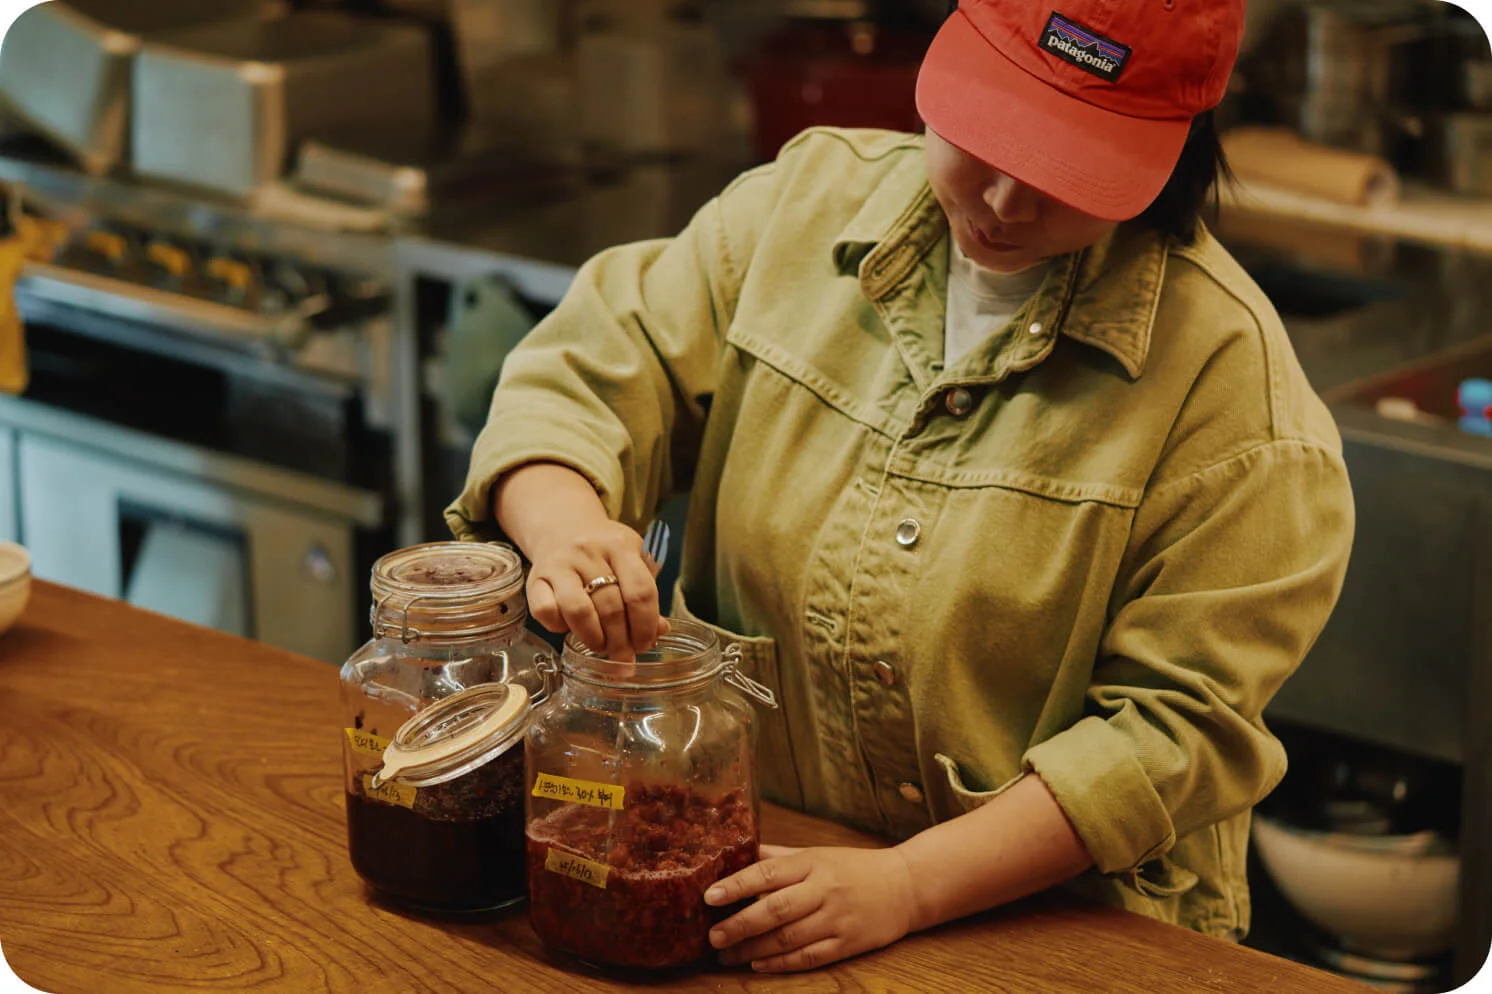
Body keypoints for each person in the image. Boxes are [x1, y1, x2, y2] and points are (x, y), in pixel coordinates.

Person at [447, 0, 1355, 974]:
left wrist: (911, 883)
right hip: (762, 890)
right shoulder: (798, 208)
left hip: (1068, 935)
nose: (1005, 199)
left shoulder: (1235, 406)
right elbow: (593, 369)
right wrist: (567, 524)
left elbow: (1172, 736)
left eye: (1066, 167)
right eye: (990, 136)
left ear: (1172, 153)